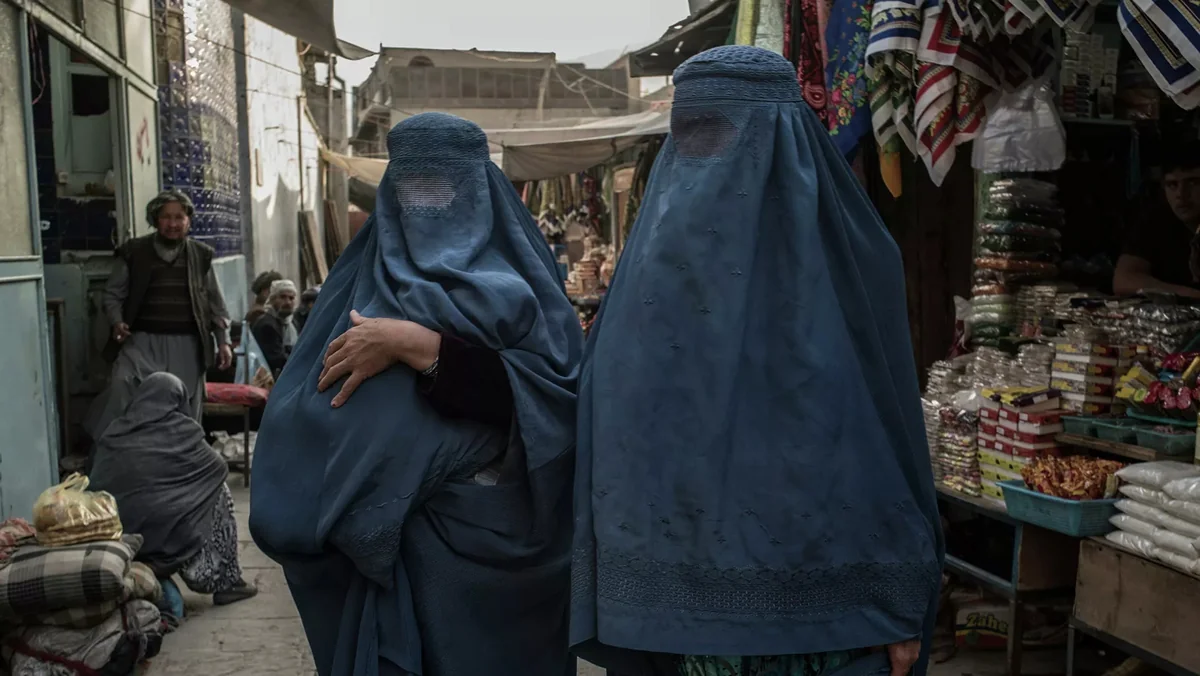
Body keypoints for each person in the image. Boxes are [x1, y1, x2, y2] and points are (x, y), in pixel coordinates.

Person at [571, 47, 943, 676]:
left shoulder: (854, 264)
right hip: (666, 629)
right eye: (693, 134)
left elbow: (886, 433)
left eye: (724, 133)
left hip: (827, 627)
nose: (707, 156)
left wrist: (899, 599)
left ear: (787, 136)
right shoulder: (647, 281)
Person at [249, 112, 582, 676]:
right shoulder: (356, 284)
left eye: (444, 186)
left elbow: (554, 405)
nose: (427, 204)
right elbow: (300, 412)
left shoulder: (526, 288)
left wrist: (422, 347)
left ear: (480, 187)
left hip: (501, 563)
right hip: (387, 560)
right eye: (413, 186)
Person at [88, 372, 258, 606]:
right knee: (218, 492)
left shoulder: (114, 432)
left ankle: (151, 566)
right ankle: (226, 582)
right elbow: (218, 469)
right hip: (167, 541)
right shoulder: (183, 431)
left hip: (119, 544)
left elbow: (95, 483)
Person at [87, 190, 232, 440]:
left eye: (179, 217)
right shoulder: (134, 252)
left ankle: (180, 462)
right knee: (123, 387)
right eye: (166, 217)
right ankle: (116, 452)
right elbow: (113, 294)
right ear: (155, 219)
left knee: (183, 407)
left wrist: (223, 342)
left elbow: (215, 304)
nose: (173, 224)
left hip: (186, 344)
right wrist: (116, 321)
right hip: (141, 343)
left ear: (188, 221)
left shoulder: (200, 255)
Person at [1114, 142, 1200, 298]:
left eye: (1193, 182)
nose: (1181, 194)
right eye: (1172, 185)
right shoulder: (1156, 219)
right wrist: (1187, 294)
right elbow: (1123, 280)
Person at [251, 279, 299, 377]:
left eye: (291, 298)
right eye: (283, 297)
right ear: (272, 299)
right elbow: (277, 359)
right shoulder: (267, 324)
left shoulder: (291, 323)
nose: (288, 302)